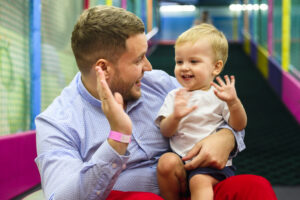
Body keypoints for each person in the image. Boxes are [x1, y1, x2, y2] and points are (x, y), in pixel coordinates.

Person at [35, 5, 277, 200]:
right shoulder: (57, 122)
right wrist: (117, 138)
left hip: (193, 188)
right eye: (139, 59)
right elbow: (60, 196)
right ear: (103, 69)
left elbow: (217, 111)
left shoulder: (159, 83)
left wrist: (226, 137)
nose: (149, 67)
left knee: (254, 187)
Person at [156, 24, 247, 200]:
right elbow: (166, 131)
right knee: (165, 163)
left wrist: (233, 103)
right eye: (179, 61)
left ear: (216, 67)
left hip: (211, 165)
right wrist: (175, 117)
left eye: (194, 61)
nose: (184, 67)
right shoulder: (174, 96)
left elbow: (239, 124)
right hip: (181, 160)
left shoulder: (219, 95)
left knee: (199, 181)